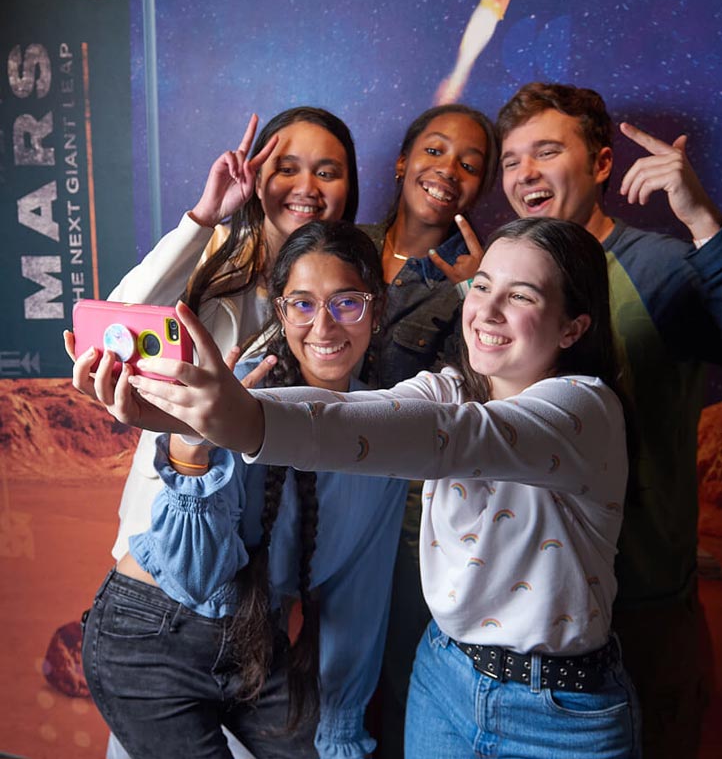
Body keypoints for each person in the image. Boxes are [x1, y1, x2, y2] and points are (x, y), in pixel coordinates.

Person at [75, 216, 641, 758]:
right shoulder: (448, 389)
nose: (487, 310)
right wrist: (207, 425)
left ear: (574, 326)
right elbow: (362, 413)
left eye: (521, 296)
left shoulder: (584, 410)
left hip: (560, 708)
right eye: (482, 286)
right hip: (445, 678)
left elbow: (447, 438)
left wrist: (241, 421)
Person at [66, 106, 359, 759]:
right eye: (286, 167)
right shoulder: (216, 289)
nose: (307, 184)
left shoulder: (342, 316)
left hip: (257, 624)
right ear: (258, 183)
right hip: (156, 609)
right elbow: (115, 324)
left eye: (327, 170)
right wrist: (207, 217)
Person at [78, 222, 407, 758]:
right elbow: (196, 578)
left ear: (377, 305)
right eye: (301, 304)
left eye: (346, 302)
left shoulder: (390, 427)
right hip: (152, 628)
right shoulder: (237, 393)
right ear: (279, 313)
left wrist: (343, 722)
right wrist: (194, 446)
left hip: (254, 641)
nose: (323, 326)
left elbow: (359, 594)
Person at [494, 82, 722, 758]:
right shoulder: (498, 277)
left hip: (642, 612)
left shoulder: (662, 268)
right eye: (510, 159)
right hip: (523, 618)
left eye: (546, 151)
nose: (524, 173)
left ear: (600, 164)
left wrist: (704, 223)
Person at [358, 103, 499, 757]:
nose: (449, 170)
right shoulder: (344, 246)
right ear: (402, 161)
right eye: (436, 151)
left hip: (408, 518)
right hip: (310, 499)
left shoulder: (478, 278)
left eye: (471, 165)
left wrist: (479, 300)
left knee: (396, 681)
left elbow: (475, 406)